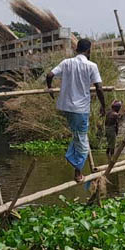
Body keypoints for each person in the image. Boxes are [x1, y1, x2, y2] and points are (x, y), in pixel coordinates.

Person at [46, 38, 106, 183]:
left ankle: (72, 157)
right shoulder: (91, 66)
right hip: (80, 109)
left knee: (78, 135)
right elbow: (99, 87)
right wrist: (104, 105)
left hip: (66, 107)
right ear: (89, 50)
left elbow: (49, 75)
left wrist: (49, 88)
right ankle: (78, 172)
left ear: (77, 49)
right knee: (83, 142)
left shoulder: (66, 62)